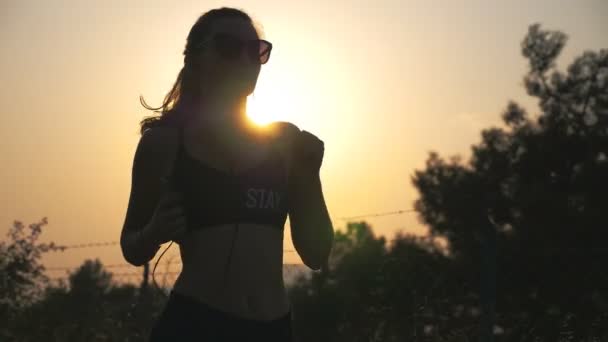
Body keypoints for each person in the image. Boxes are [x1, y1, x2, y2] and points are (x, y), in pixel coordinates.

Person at [119, 7, 334, 341]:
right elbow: (131, 246)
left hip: (273, 330)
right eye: (229, 47)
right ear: (195, 59)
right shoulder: (164, 143)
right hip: (195, 325)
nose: (245, 60)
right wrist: (155, 231)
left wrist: (309, 176)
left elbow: (316, 254)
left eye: (256, 50)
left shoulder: (285, 143)